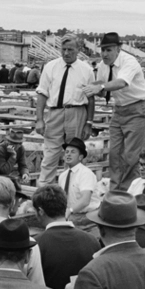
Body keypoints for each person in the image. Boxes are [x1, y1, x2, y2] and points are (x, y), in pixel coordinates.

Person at [82, 32, 145, 190]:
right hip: (119, 108)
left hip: (137, 107)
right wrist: (89, 87)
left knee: (132, 155)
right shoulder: (102, 66)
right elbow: (101, 87)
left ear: (118, 49)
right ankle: (115, 189)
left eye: (109, 50)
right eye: (103, 50)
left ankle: (129, 192)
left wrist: (99, 87)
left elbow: (121, 82)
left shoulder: (129, 61)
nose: (105, 54)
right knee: (115, 153)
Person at [35, 34, 95, 186]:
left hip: (77, 113)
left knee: (74, 156)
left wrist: (89, 122)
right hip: (55, 113)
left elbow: (91, 98)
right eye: (64, 49)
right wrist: (40, 119)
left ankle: (71, 192)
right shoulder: (50, 67)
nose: (67, 53)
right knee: (50, 156)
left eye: (70, 49)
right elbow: (42, 93)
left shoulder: (86, 70)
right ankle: (43, 193)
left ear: (78, 50)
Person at [57, 137, 99, 224]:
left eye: (73, 152)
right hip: (71, 214)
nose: (68, 154)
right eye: (67, 152)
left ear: (80, 157)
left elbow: (85, 200)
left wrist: (70, 210)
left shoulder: (86, 174)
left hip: (89, 216)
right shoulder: (63, 176)